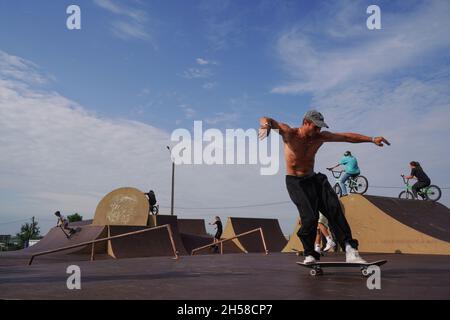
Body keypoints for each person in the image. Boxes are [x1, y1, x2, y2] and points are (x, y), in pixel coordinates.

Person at [259, 110, 390, 264]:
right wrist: (266, 126)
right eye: (316, 127)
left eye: (320, 128)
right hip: (296, 182)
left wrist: (372, 139)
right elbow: (268, 119)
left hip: (314, 179)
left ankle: (350, 249)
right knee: (310, 217)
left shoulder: (321, 137)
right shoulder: (290, 133)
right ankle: (310, 253)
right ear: (306, 122)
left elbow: (346, 137)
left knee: (334, 209)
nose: (318, 131)